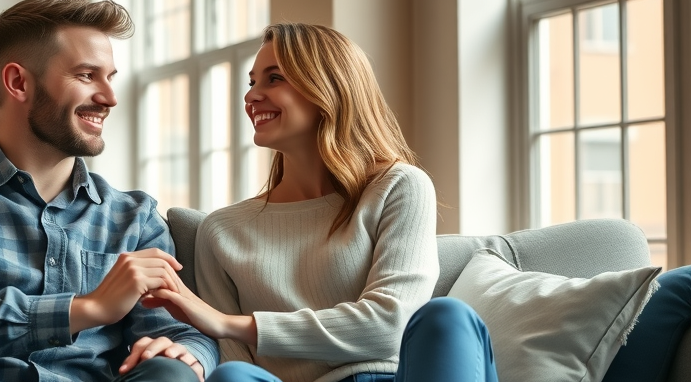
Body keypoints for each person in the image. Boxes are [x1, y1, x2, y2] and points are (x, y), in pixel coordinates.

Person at [142, 22, 691, 382]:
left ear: (328, 88)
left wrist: (230, 322)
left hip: (390, 378)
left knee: (448, 316)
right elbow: (235, 365)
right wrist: (217, 333)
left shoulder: (398, 187)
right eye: (251, 80)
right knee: (233, 379)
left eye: (275, 78)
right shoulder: (222, 231)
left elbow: (389, 327)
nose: (251, 95)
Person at [0, 0, 219, 382]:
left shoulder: (135, 219)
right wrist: (89, 308)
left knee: (174, 375)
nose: (109, 98)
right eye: (87, 76)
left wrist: (188, 353)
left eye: (110, 77)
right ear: (18, 82)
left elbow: (180, 330)